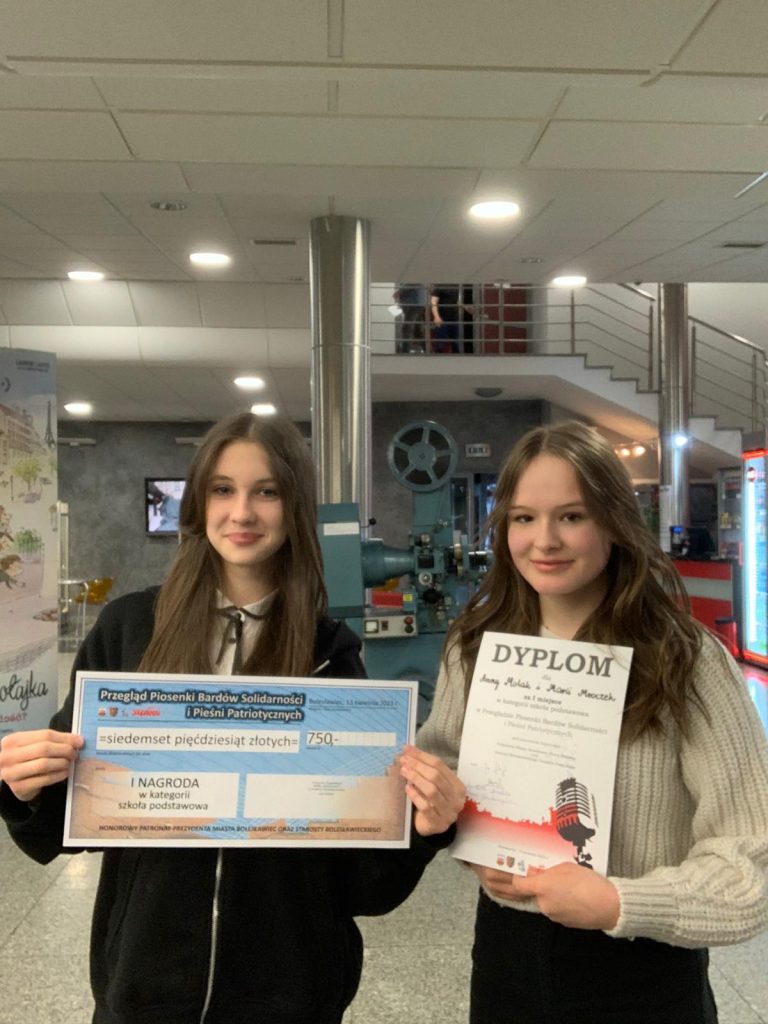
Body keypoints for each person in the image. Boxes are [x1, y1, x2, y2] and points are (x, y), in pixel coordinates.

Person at [0, 412, 465, 1024]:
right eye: (223, 489)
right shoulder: (130, 629)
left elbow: (361, 882)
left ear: (293, 507)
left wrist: (422, 830)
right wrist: (27, 786)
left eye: (266, 491)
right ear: (199, 501)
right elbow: (62, 822)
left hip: (286, 994)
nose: (242, 512)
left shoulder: (330, 654)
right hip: (145, 988)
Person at [417, 419, 768, 1024]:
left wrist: (618, 901)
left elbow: (750, 861)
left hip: (644, 971)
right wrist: (446, 817)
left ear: (614, 522)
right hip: (506, 957)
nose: (544, 540)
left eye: (572, 516)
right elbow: (446, 769)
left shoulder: (685, 660)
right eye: (524, 518)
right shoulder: (473, 647)